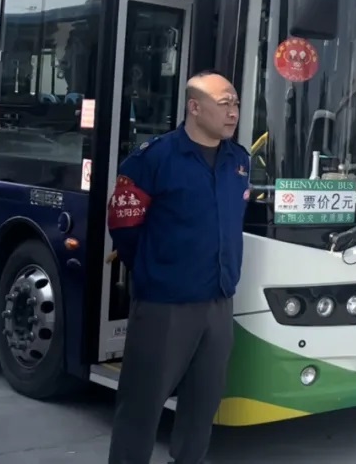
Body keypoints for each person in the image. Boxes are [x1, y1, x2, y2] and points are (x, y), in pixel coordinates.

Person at [107, 71, 250, 464]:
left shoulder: (239, 161)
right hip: (165, 305)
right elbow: (124, 228)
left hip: (219, 301)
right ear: (194, 107)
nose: (233, 112)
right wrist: (156, 271)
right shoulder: (153, 160)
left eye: (236, 104)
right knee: (142, 403)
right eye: (224, 103)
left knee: (203, 403)